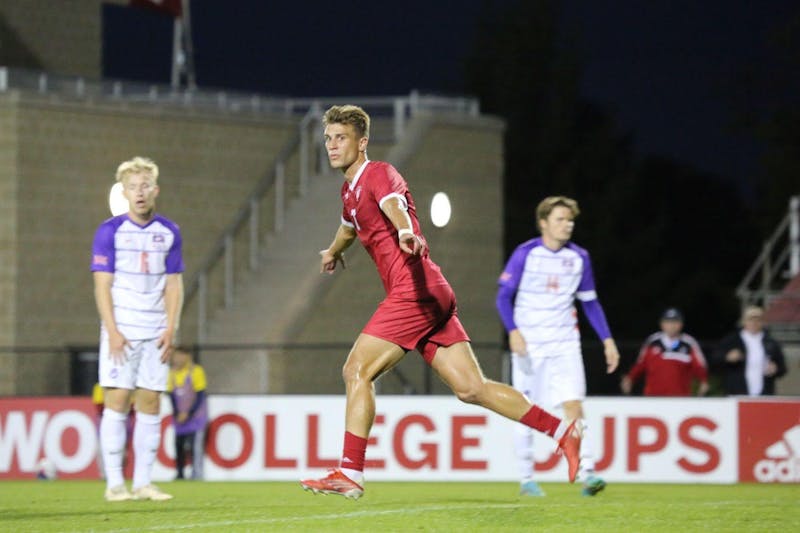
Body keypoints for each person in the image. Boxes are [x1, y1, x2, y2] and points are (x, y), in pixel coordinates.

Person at [299, 105, 583, 500]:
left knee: (356, 370)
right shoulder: (348, 191)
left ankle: (350, 471)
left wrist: (403, 232)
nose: (332, 145)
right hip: (432, 292)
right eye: (328, 138)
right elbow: (350, 226)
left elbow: (394, 205)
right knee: (472, 388)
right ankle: (562, 431)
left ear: (362, 143)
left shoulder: (378, 173)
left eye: (341, 138)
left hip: (413, 291)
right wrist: (332, 251)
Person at [495, 195, 620, 498]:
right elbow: (502, 297)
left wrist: (608, 340)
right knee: (526, 410)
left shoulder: (579, 258)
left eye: (570, 220)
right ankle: (526, 479)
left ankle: (588, 473)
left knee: (573, 404)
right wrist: (513, 331)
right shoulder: (526, 254)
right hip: (530, 347)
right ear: (543, 223)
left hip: (565, 344)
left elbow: (590, 304)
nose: (568, 225)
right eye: (561, 219)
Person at [91, 156, 184, 502]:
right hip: (123, 331)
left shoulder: (169, 231)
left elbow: (174, 285)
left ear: (155, 189)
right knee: (116, 402)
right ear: (125, 192)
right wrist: (112, 330)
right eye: (133, 187)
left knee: (150, 403)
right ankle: (115, 484)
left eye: (145, 185)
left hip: (156, 330)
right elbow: (102, 286)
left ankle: (143, 482)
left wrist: (171, 328)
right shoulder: (109, 231)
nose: (140, 192)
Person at [621, 308, 709, 397]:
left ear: (681, 324)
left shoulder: (688, 343)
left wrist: (704, 381)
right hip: (653, 397)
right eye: (668, 322)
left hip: (680, 399)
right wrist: (630, 378)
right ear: (662, 324)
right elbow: (640, 364)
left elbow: (699, 367)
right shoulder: (653, 342)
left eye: (675, 322)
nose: (671, 325)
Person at [711, 305, 787, 396]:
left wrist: (776, 369)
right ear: (744, 321)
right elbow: (714, 360)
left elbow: (782, 368)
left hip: (764, 395)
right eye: (751, 319)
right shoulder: (732, 341)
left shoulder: (771, 342)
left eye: (758, 319)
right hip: (737, 394)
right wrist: (727, 357)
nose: (754, 323)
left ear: (763, 322)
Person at [168, 346, 208, 480]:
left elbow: (200, 395)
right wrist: (177, 413)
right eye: (175, 356)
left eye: (180, 356)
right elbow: (171, 396)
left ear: (187, 357)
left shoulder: (196, 371)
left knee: (194, 447)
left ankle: (196, 474)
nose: (177, 359)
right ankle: (180, 473)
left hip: (195, 417)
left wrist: (188, 413)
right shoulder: (171, 373)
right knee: (178, 445)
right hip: (179, 418)